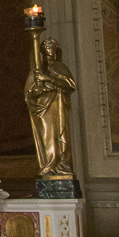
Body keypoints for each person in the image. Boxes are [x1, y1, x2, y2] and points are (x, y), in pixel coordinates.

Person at [25, 37, 76, 178]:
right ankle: (48, 166)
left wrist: (48, 79)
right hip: (43, 109)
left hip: (58, 106)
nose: (50, 49)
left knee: (61, 136)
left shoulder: (61, 67)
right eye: (47, 46)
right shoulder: (37, 70)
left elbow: (71, 86)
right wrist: (37, 90)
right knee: (48, 136)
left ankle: (62, 166)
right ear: (42, 50)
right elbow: (29, 93)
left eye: (53, 46)